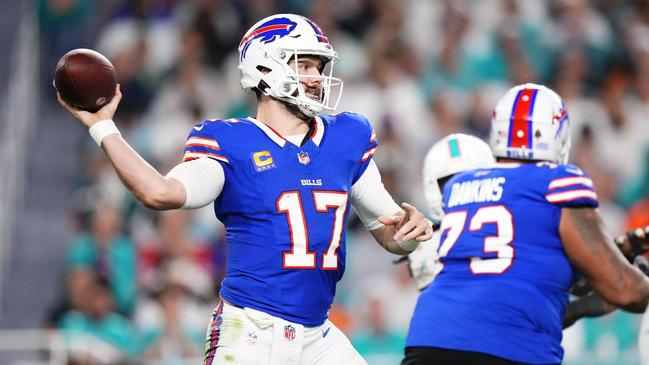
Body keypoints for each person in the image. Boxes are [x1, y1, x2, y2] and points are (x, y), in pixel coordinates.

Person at [56, 13, 432, 365]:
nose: (316, 77)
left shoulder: (347, 136)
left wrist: (408, 234)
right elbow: (160, 192)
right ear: (265, 67)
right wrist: (104, 128)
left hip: (318, 334)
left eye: (318, 66)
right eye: (303, 64)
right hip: (252, 334)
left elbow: (386, 228)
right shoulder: (230, 142)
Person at [402, 83, 649, 365]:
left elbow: (515, 283)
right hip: (512, 351)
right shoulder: (558, 182)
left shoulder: (461, 185)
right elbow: (628, 292)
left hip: (428, 340)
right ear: (558, 135)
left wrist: (607, 269)